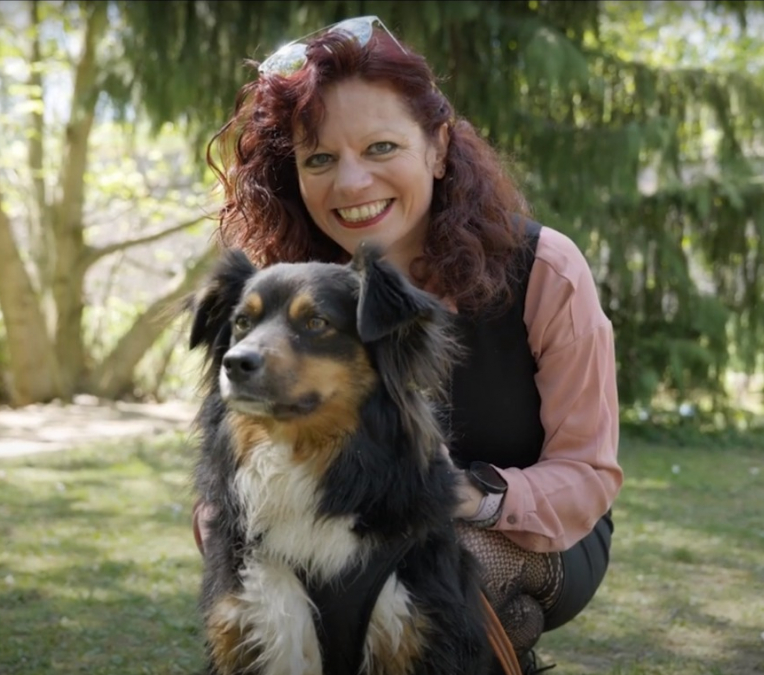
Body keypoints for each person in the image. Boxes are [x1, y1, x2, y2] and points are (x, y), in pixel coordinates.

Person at [191, 16, 624, 671]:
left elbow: (588, 474)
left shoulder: (544, 268)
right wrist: (222, 516)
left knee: (430, 569)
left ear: (439, 145)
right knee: (286, 587)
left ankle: (480, 641)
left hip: (529, 527)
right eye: (320, 159)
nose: (352, 184)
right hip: (329, 522)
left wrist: (470, 494)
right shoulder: (282, 281)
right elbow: (229, 453)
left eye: (381, 147)